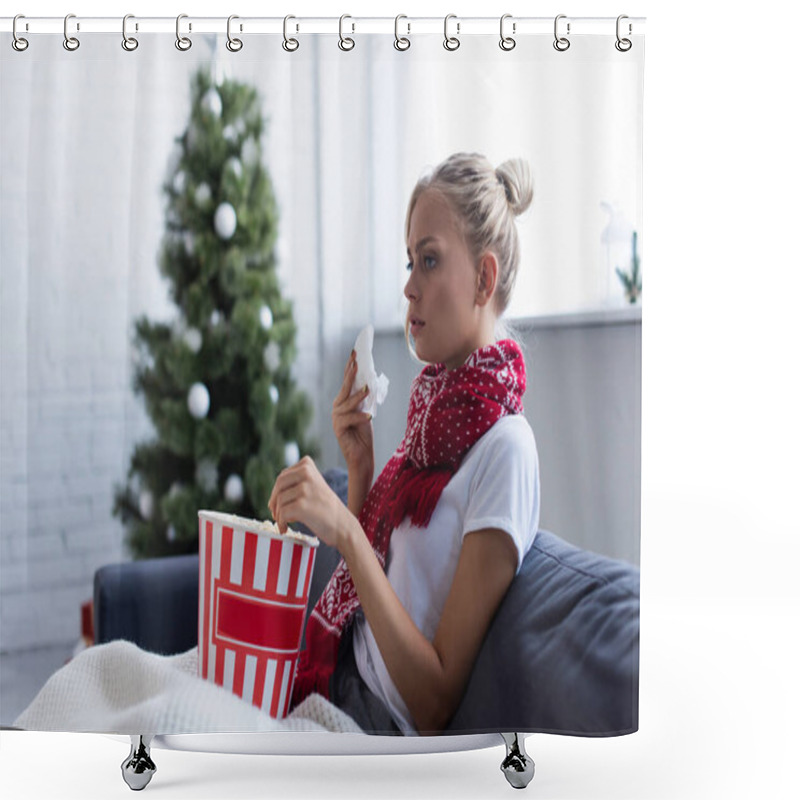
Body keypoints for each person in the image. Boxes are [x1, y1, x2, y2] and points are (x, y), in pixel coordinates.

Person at [268, 152, 540, 735]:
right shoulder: (434, 416)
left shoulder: (505, 451)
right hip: (338, 674)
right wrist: (362, 468)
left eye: (430, 260)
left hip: (371, 721)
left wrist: (343, 527)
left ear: (484, 280)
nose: (409, 287)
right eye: (410, 261)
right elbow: (385, 587)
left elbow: (432, 701)